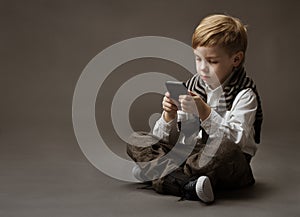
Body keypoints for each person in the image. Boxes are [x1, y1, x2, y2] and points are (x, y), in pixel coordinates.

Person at [127, 14, 263, 203]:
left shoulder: (244, 94)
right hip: (191, 156)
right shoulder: (192, 87)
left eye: (212, 61)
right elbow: (169, 139)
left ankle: (159, 175)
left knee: (225, 152)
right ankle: (186, 184)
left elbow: (237, 143)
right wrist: (168, 116)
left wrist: (205, 112)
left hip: (228, 163)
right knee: (137, 140)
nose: (202, 69)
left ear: (236, 59)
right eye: (198, 59)